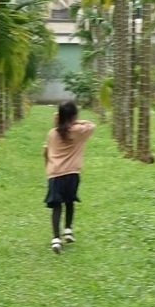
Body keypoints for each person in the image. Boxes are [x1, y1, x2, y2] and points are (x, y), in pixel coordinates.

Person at [43, 101, 95, 253]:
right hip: (72, 173)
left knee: (56, 206)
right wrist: (75, 121)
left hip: (55, 173)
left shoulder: (52, 133)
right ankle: (68, 230)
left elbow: (46, 151)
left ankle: (56, 239)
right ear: (74, 116)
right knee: (70, 201)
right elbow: (92, 125)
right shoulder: (78, 131)